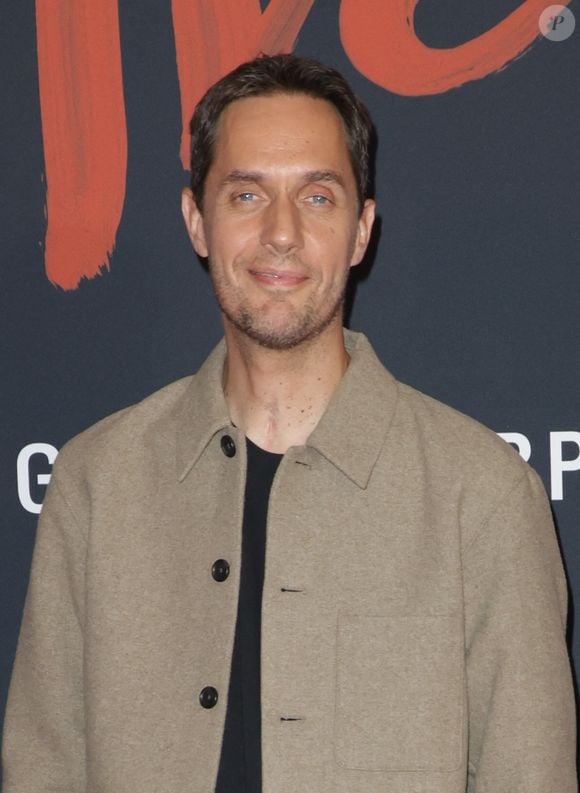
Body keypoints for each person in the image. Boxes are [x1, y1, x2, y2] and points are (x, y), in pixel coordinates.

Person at [2, 54, 576, 793]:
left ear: (361, 230)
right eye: (246, 194)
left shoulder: (485, 499)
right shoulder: (95, 485)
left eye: (317, 197)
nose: (280, 233)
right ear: (196, 220)